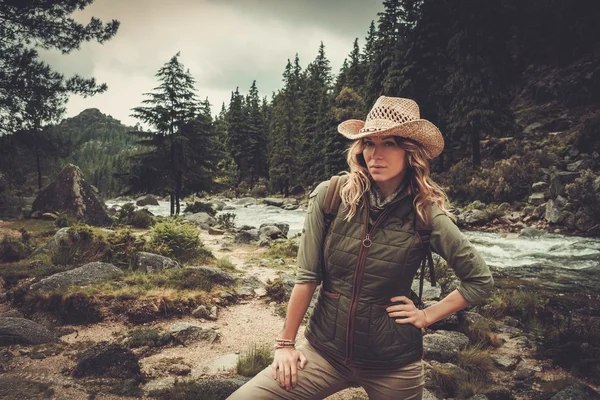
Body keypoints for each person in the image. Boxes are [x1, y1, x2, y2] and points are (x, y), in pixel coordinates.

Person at [228, 96, 493, 400]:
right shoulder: (331, 196)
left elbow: (479, 280)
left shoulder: (426, 214)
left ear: (411, 152)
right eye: (369, 143)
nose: (375, 154)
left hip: (393, 366)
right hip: (324, 354)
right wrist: (286, 345)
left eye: (389, 143)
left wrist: (426, 316)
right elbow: (306, 277)